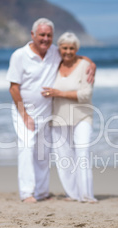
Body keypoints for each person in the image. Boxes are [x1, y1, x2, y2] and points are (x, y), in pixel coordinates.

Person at [6, 18, 95, 203]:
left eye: (49, 35)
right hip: (25, 111)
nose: (45, 39)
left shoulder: (54, 52)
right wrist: (24, 114)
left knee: (43, 153)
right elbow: (13, 88)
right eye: (42, 35)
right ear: (33, 35)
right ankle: (27, 193)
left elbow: (75, 56)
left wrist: (91, 63)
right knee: (27, 147)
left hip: (46, 111)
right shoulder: (19, 55)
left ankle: (41, 191)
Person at [42, 32, 97, 203]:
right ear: (59, 48)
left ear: (77, 49)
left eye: (71, 48)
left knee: (82, 153)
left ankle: (87, 195)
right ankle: (72, 194)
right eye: (64, 47)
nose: (67, 51)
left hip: (82, 117)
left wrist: (59, 93)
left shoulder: (85, 65)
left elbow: (86, 94)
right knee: (63, 157)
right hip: (58, 117)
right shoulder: (53, 64)